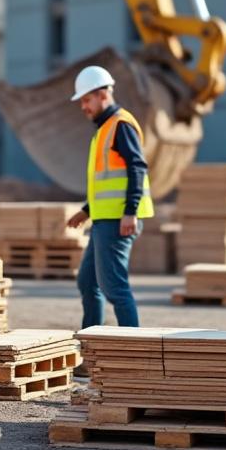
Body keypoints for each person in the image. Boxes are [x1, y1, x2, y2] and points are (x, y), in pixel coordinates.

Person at [66, 65, 152, 328]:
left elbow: (137, 167)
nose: (83, 106)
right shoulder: (104, 129)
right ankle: (93, 346)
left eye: (87, 99)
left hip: (118, 220)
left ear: (103, 94)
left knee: (114, 287)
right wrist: (87, 210)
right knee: (88, 282)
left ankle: (132, 354)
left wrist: (130, 211)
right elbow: (108, 182)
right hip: (104, 218)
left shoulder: (120, 125)